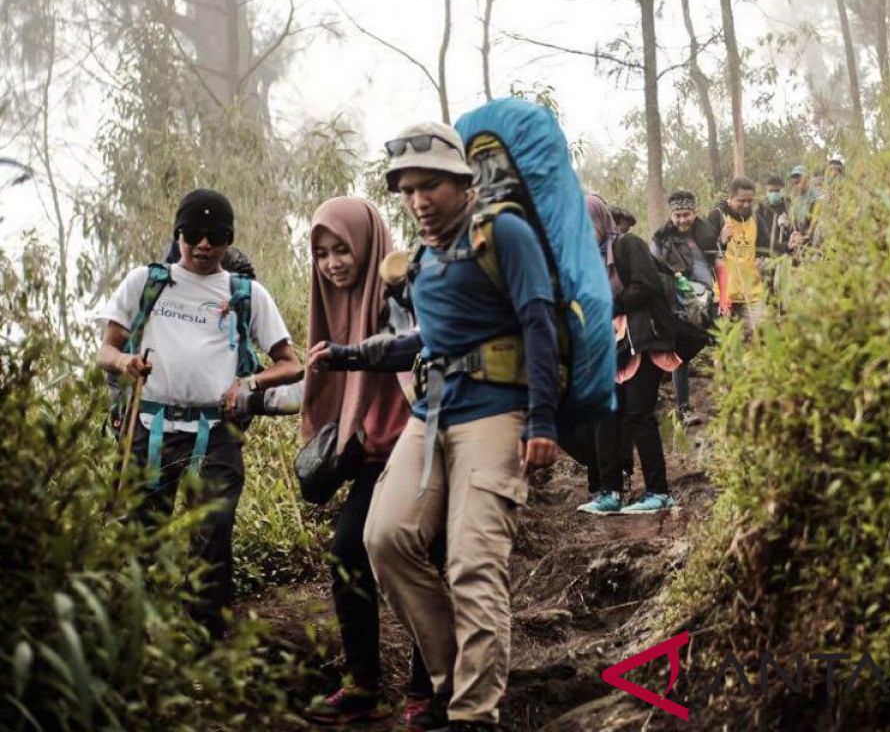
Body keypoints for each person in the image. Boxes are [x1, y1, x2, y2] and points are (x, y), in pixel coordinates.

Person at [325, 121, 559, 731]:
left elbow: (539, 322)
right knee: (384, 538)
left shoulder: (504, 233)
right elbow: (427, 341)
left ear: (462, 181)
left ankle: (473, 714)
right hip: (430, 416)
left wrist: (543, 420)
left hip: (496, 416)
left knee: (473, 564)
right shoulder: (425, 257)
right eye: (406, 190)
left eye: (430, 186)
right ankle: (453, 676)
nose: (418, 201)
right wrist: (354, 354)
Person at [96, 188, 303, 637]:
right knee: (140, 537)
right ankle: (130, 637)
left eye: (217, 235)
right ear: (178, 235)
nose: (205, 245)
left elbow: (292, 364)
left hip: (217, 434)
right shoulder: (145, 282)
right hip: (149, 429)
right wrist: (126, 363)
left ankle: (204, 646)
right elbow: (105, 350)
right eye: (194, 234)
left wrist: (249, 383)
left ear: (229, 240)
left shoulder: (246, 293)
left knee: (212, 541)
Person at [299, 196, 429, 726]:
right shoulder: (333, 305)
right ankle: (362, 681)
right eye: (322, 253)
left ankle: (429, 686)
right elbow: (318, 379)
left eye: (342, 250)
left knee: (418, 558)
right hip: (375, 457)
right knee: (347, 550)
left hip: (421, 445)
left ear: (368, 243)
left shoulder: (401, 290)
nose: (332, 263)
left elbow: (420, 351)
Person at [576, 196, 679, 515]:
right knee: (605, 415)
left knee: (638, 413)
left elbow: (647, 285)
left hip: (642, 340)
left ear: (600, 222)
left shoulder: (628, 245)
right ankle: (610, 492)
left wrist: (609, 305)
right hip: (611, 346)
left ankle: (659, 492)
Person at [651, 190, 717, 422]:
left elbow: (720, 264)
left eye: (686, 214)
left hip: (709, 300)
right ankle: (683, 409)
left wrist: (724, 298)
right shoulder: (661, 239)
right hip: (678, 303)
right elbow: (654, 270)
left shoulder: (706, 233)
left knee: (724, 345)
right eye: (677, 215)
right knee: (681, 354)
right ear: (671, 215)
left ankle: (732, 403)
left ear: (694, 212)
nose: (682, 220)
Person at [707, 176, 769, 335]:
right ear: (731, 198)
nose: (746, 205)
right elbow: (705, 252)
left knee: (760, 339)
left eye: (750, 201)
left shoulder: (756, 219)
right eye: (741, 201)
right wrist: (721, 240)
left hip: (752, 295)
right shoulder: (717, 217)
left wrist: (784, 248)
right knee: (726, 342)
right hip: (724, 294)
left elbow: (767, 247)